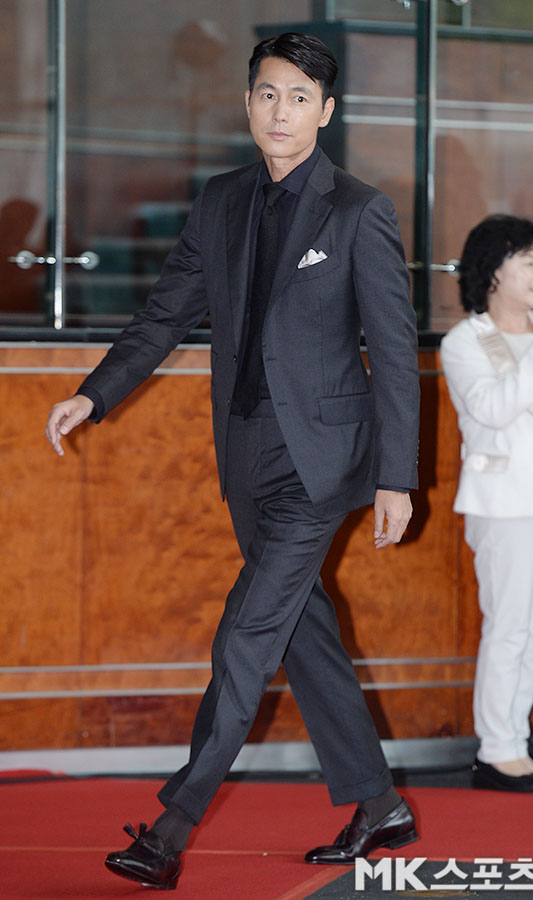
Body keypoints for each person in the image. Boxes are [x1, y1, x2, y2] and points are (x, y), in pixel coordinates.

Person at [45, 32, 420, 890]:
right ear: (248, 102)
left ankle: (169, 830)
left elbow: (395, 355)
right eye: (266, 93)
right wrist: (94, 393)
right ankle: (379, 803)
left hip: (320, 463)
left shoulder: (360, 210)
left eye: (298, 97)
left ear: (326, 111)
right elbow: (161, 317)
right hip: (244, 454)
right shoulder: (217, 203)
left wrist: (398, 477)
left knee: (246, 636)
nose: (279, 110)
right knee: (300, 631)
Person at [441, 214, 533, 793]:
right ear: (493, 270)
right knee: (507, 625)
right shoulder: (467, 341)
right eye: (527, 260)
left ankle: (515, 742)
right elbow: (493, 409)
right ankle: (496, 749)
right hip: (502, 502)